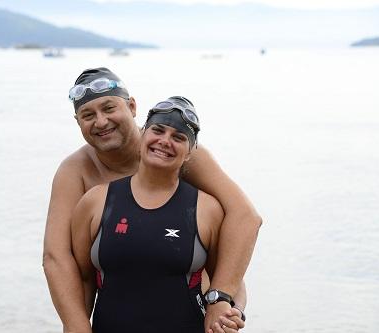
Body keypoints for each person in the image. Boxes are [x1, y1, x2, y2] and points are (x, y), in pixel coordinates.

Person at [43, 68, 261, 333]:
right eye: (88, 115)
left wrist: (222, 298)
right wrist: (76, 325)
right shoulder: (77, 173)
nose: (101, 122)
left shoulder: (181, 153)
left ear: (132, 107)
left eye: (109, 108)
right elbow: (58, 258)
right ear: (78, 122)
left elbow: (244, 217)